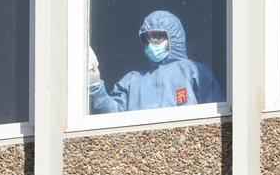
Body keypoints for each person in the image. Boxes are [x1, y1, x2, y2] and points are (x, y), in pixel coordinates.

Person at [88, 10, 225, 114]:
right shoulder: (132, 81)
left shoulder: (194, 71)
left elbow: (216, 114)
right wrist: (95, 86)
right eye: (147, 39)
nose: (150, 43)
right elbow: (113, 119)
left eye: (157, 36)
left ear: (173, 36)